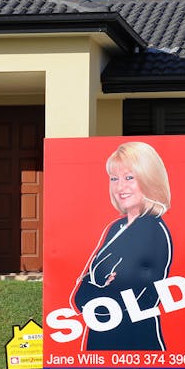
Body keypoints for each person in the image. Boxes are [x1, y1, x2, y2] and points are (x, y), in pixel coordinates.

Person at [71, 141, 173, 351]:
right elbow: (79, 296)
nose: (120, 187)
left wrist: (95, 287)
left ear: (149, 179)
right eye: (114, 178)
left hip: (133, 340)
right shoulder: (117, 227)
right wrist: (99, 288)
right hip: (102, 336)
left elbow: (136, 299)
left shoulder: (150, 228)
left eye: (129, 178)